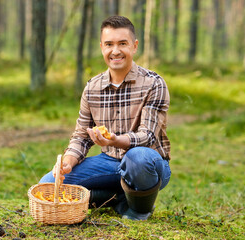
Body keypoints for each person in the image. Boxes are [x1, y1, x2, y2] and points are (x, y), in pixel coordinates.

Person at [39, 15, 171, 221]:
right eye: (109, 44)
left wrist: (116, 140)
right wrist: (68, 161)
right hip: (107, 162)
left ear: (134, 46)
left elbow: (147, 137)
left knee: (137, 158)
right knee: (46, 185)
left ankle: (138, 211)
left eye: (122, 44)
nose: (115, 51)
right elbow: (81, 137)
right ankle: (120, 197)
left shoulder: (154, 83)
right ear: (101, 47)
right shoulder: (92, 87)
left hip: (148, 163)